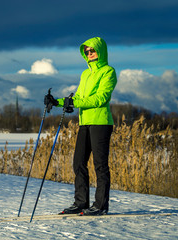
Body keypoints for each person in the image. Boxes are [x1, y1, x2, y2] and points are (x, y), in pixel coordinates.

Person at [44, 37, 117, 215]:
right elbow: (77, 98)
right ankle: (81, 203)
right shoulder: (85, 74)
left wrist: (75, 103)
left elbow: (101, 98)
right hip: (85, 122)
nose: (89, 53)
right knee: (78, 163)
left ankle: (100, 205)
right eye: (86, 51)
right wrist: (58, 102)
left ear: (100, 51)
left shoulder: (108, 71)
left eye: (92, 50)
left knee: (100, 165)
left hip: (100, 122)